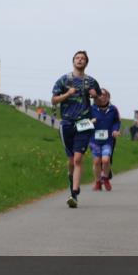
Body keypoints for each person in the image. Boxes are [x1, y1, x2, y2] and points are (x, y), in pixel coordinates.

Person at [51, 50, 100, 208]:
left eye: (83, 59)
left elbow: (101, 102)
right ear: (73, 61)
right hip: (66, 123)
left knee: (78, 159)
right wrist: (67, 94)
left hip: (83, 123)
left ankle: (75, 193)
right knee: (71, 160)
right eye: (77, 58)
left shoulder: (91, 81)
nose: (80, 60)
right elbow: (53, 100)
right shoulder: (64, 80)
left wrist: (95, 96)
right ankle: (72, 186)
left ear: (86, 63)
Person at [89, 89, 121, 191]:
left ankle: (106, 178)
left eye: (104, 95)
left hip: (108, 140)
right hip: (94, 139)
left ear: (108, 97)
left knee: (106, 160)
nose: (101, 97)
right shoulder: (91, 109)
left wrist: (115, 130)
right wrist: (90, 122)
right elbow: (83, 122)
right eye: (99, 95)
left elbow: (116, 122)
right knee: (97, 161)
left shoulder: (113, 109)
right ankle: (98, 182)